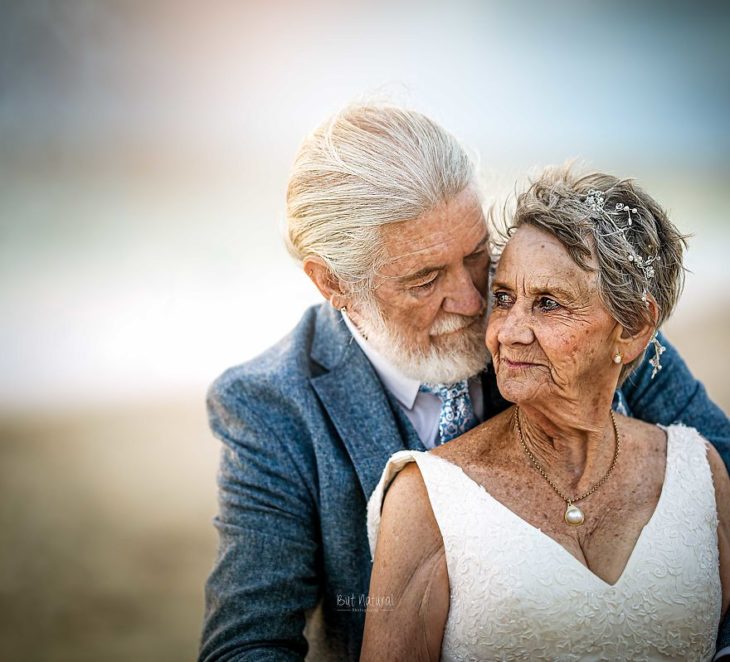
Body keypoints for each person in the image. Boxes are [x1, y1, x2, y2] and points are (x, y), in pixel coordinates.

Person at [198, 104, 730, 661]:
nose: (477, 303)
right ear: (333, 282)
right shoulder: (271, 405)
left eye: (477, 256)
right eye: (426, 279)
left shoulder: (572, 310)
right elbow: (247, 644)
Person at [362, 166, 730, 661]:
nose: (508, 332)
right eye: (504, 298)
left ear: (634, 329)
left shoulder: (699, 472)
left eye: (549, 304)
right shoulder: (425, 498)